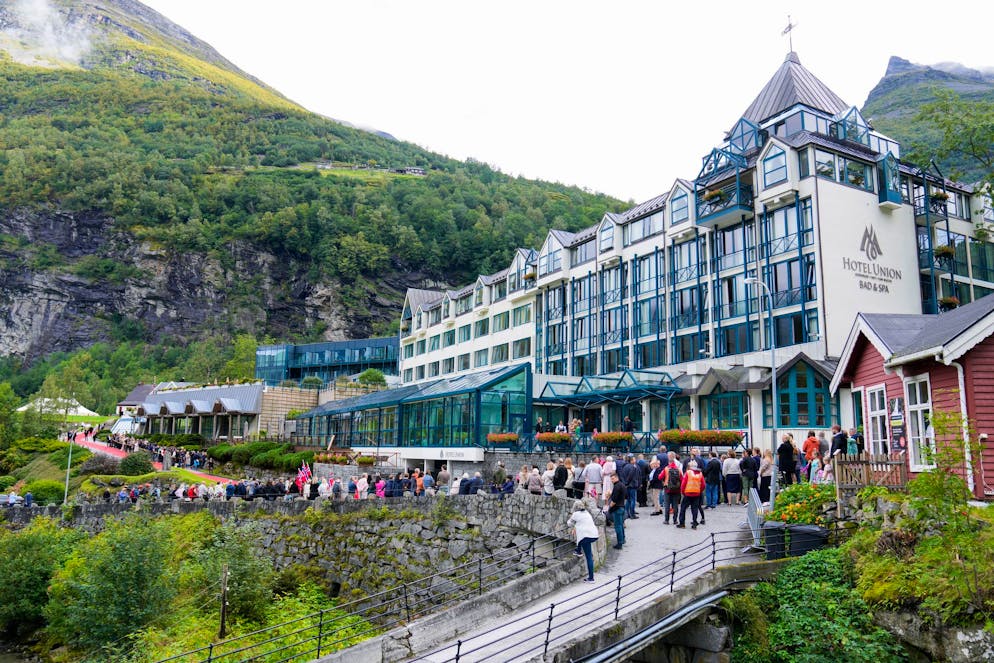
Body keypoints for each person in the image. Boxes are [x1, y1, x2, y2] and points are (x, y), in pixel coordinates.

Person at [567, 501, 599, 583]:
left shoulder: (576, 514)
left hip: (585, 536)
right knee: (586, 549)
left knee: (589, 556)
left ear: (575, 507)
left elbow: (569, 523)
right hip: (594, 534)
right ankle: (578, 551)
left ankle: (591, 578)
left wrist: (574, 524)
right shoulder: (587, 513)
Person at [677, 460, 705, 529]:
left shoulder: (688, 473)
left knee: (683, 508)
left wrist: (682, 492)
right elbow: (703, 485)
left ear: (690, 466)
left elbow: (683, 484)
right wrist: (699, 491)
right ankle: (694, 523)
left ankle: (682, 523)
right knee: (695, 508)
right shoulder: (700, 474)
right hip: (696, 493)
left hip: (688, 493)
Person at [662, 452, 683, 524]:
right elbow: (682, 479)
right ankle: (675, 520)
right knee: (675, 505)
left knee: (667, 505)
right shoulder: (678, 469)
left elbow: (659, 477)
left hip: (667, 489)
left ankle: (666, 520)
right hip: (676, 489)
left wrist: (664, 480)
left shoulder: (666, 468)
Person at [607, 474, 627, 549]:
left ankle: (620, 543)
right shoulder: (622, 485)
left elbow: (614, 499)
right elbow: (626, 496)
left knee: (618, 526)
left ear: (617, 478)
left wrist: (610, 506)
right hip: (622, 507)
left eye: (613, 479)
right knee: (621, 525)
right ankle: (623, 539)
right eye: (611, 479)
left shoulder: (616, 486)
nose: (612, 480)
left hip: (617, 508)